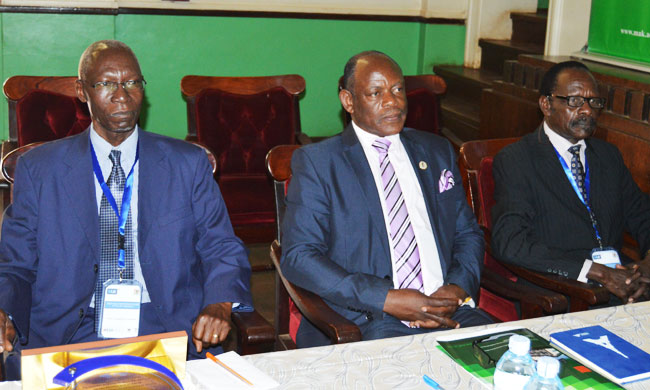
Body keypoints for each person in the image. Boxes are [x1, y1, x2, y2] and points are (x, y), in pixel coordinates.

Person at [0, 40, 252, 379]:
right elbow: (15, 262)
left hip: (166, 324)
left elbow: (221, 246)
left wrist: (220, 303)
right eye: (106, 83)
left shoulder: (186, 164)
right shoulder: (39, 169)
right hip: (71, 328)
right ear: (81, 90)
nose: (122, 95)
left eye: (132, 82)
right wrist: (6, 312)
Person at [281, 51, 492, 347]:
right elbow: (299, 256)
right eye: (376, 93)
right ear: (349, 101)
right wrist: (386, 299)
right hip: (369, 321)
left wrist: (456, 288)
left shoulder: (436, 150)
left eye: (397, 90)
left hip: (450, 311)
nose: (392, 101)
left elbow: (467, 233)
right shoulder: (320, 163)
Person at [491, 60, 650, 305]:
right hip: (559, 290)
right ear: (546, 104)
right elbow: (511, 243)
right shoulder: (516, 160)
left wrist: (647, 264)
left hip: (620, 280)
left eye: (594, 102)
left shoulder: (608, 156)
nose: (587, 110)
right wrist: (596, 271)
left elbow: (643, 214)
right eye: (575, 101)